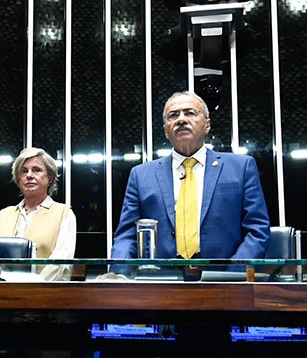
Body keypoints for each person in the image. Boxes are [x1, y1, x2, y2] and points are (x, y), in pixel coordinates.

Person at [111, 91, 270, 260]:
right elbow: (126, 237)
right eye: (173, 115)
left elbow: (257, 230)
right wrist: (117, 277)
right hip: (162, 279)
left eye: (190, 113)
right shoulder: (141, 175)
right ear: (166, 130)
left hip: (223, 278)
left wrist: (233, 276)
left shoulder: (240, 167)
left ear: (207, 125)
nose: (181, 119)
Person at [0, 147, 76, 259]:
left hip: (44, 277)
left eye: (37, 170)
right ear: (18, 179)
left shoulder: (64, 213)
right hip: (3, 277)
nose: (29, 175)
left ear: (50, 177)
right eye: (24, 171)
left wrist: (35, 278)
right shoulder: (4, 214)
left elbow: (62, 260)